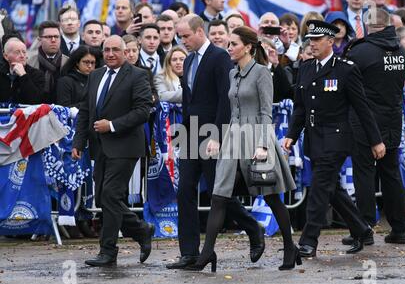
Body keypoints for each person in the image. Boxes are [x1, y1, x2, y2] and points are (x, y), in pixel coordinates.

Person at [185, 26, 300, 272]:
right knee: (219, 196)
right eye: (228, 45)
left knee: (271, 197)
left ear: (248, 46)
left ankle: (290, 247)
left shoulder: (261, 73)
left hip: (257, 139)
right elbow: (231, 110)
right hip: (233, 138)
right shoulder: (232, 74)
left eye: (233, 44)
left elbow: (265, 112)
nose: (229, 49)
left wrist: (262, 145)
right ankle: (207, 254)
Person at [166, 15, 264, 270]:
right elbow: (189, 99)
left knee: (219, 192)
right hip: (190, 134)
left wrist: (219, 136)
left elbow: (225, 99)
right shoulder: (187, 61)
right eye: (180, 36)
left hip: (212, 134)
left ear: (200, 31)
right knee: (184, 190)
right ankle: (189, 252)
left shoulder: (220, 57)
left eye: (186, 36)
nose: (182, 41)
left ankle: (253, 229)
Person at [283, 20, 385, 258]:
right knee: (331, 189)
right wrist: (291, 134)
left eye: (317, 40)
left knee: (319, 188)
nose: (313, 44)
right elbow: (300, 107)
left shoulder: (346, 69)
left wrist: (375, 140)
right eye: (310, 40)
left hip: (337, 138)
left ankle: (309, 241)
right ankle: (362, 229)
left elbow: (362, 108)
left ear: (331, 41)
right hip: (314, 138)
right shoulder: (306, 68)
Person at [72, 35, 155, 267]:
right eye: (106, 50)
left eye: (115, 50)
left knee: (110, 195)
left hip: (125, 145)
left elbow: (143, 111)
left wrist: (112, 125)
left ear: (126, 52)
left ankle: (108, 251)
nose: (109, 54)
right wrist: (78, 142)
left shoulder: (138, 75)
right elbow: (85, 112)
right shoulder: (96, 75)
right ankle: (141, 230)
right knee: (103, 197)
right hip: (99, 147)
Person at [344, 8, 405, 245]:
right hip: (392, 119)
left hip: (364, 122)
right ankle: (400, 229)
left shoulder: (361, 51)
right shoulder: (401, 51)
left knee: (365, 174)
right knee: (391, 174)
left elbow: (345, 83)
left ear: (368, 24)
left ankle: (364, 229)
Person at [28, 21, 69, 103]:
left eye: (56, 37)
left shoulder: (68, 62)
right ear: (39, 39)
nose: (53, 40)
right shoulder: (29, 62)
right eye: (49, 37)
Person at [0, 37, 45, 104]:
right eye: (17, 52)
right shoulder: (1, 73)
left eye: (24, 52)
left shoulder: (37, 74)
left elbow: (36, 101)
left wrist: (23, 75)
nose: (22, 55)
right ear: (6, 56)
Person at [122, 34, 158, 103]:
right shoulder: (116, 71)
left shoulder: (146, 71)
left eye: (134, 51)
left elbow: (154, 93)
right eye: (127, 51)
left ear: (139, 51)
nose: (131, 55)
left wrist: (152, 98)